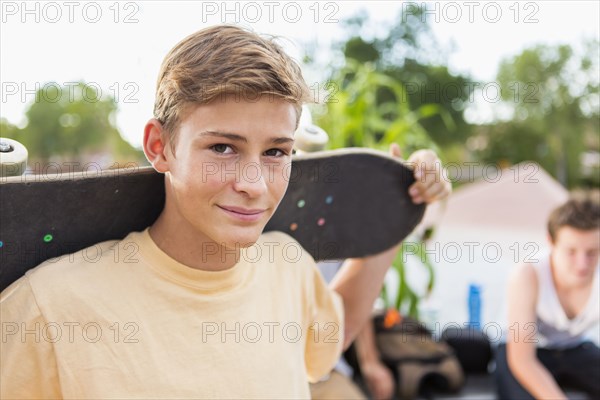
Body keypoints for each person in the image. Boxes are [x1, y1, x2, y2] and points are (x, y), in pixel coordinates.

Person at [1, 25, 449, 399]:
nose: (253, 184)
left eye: (276, 152)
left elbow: (333, 334)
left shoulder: (287, 265)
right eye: (222, 147)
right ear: (160, 146)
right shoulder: (48, 305)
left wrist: (398, 206)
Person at [495, 193, 600, 399]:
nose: (582, 264)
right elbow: (522, 360)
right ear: (550, 242)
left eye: (592, 252)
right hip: (524, 352)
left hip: (574, 348)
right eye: (571, 251)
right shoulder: (527, 274)